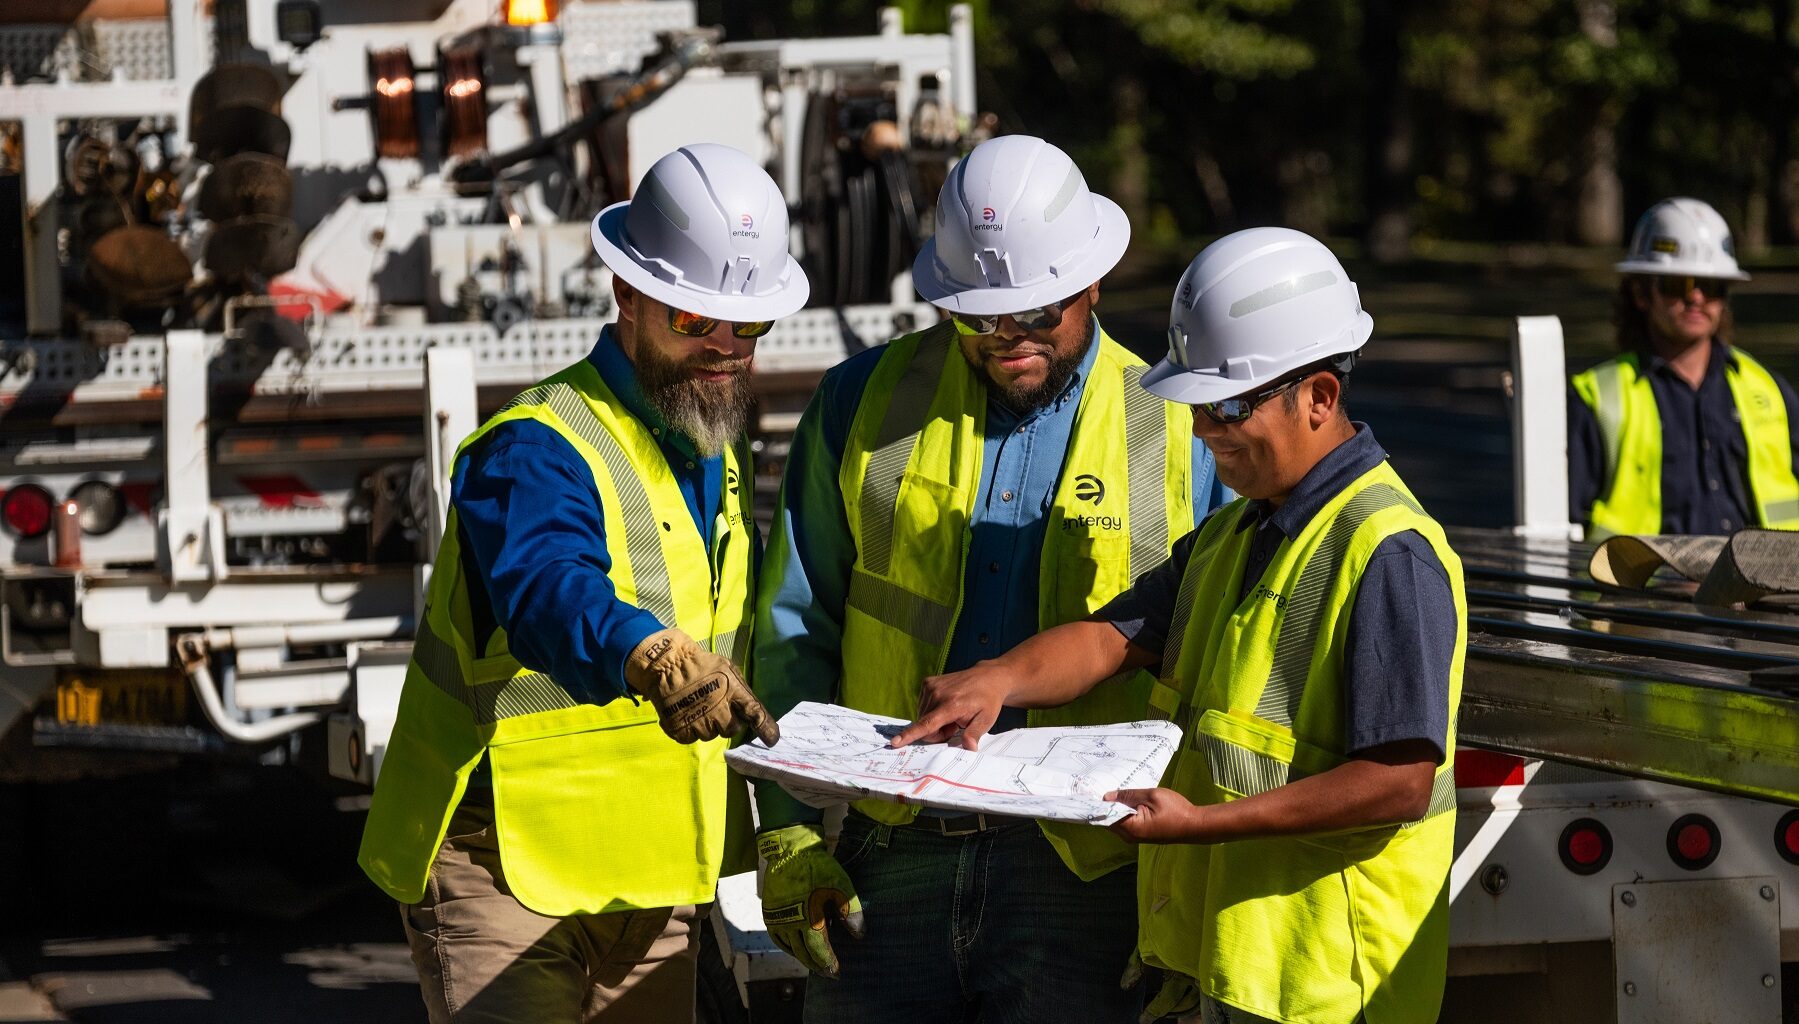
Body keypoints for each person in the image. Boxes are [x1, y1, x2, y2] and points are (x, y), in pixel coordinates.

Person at [896, 227, 1466, 1024]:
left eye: (1228, 405)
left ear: (1320, 398)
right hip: (1237, 968)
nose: (1205, 431)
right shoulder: (1240, 534)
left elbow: (1397, 781)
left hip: (1332, 985)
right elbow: (1111, 637)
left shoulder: (1384, 552)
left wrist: (1203, 825)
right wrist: (996, 681)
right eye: (1197, 407)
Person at [749, 133, 1228, 1023]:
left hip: (1086, 862)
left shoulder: (1181, 427)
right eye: (979, 317)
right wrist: (783, 827)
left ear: (1089, 283)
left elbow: (1221, 671)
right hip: (889, 852)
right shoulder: (859, 402)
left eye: (1038, 315)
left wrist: (1189, 893)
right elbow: (792, 624)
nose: (1009, 340)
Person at [357, 143, 799, 1024]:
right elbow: (546, 587)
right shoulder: (534, 444)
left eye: (747, 327)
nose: (724, 349)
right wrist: (650, 651)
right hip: (502, 870)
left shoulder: (712, 442)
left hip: (654, 874)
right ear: (627, 296)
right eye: (694, 321)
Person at [1570, 196, 1799, 537]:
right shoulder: (1598, 399)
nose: (1696, 298)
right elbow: (1565, 526)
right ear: (1640, 293)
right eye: (1677, 285)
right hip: (1641, 588)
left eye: (1710, 286)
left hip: (1764, 586)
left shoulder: (1769, 391)